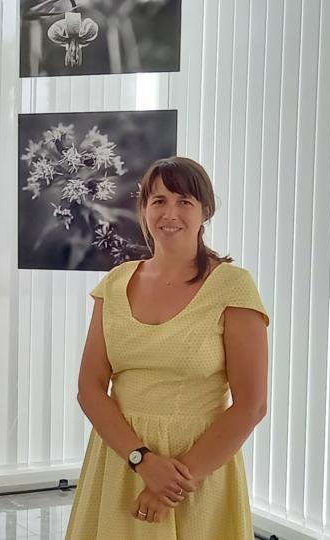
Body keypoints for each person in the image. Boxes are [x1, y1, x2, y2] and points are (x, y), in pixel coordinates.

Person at [65, 156, 270, 539]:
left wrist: (172, 484)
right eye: (158, 201)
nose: (169, 212)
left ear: (205, 211)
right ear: (143, 210)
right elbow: (90, 389)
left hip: (197, 470)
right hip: (120, 462)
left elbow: (251, 406)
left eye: (183, 201)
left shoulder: (233, 287)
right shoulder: (115, 283)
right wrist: (142, 461)